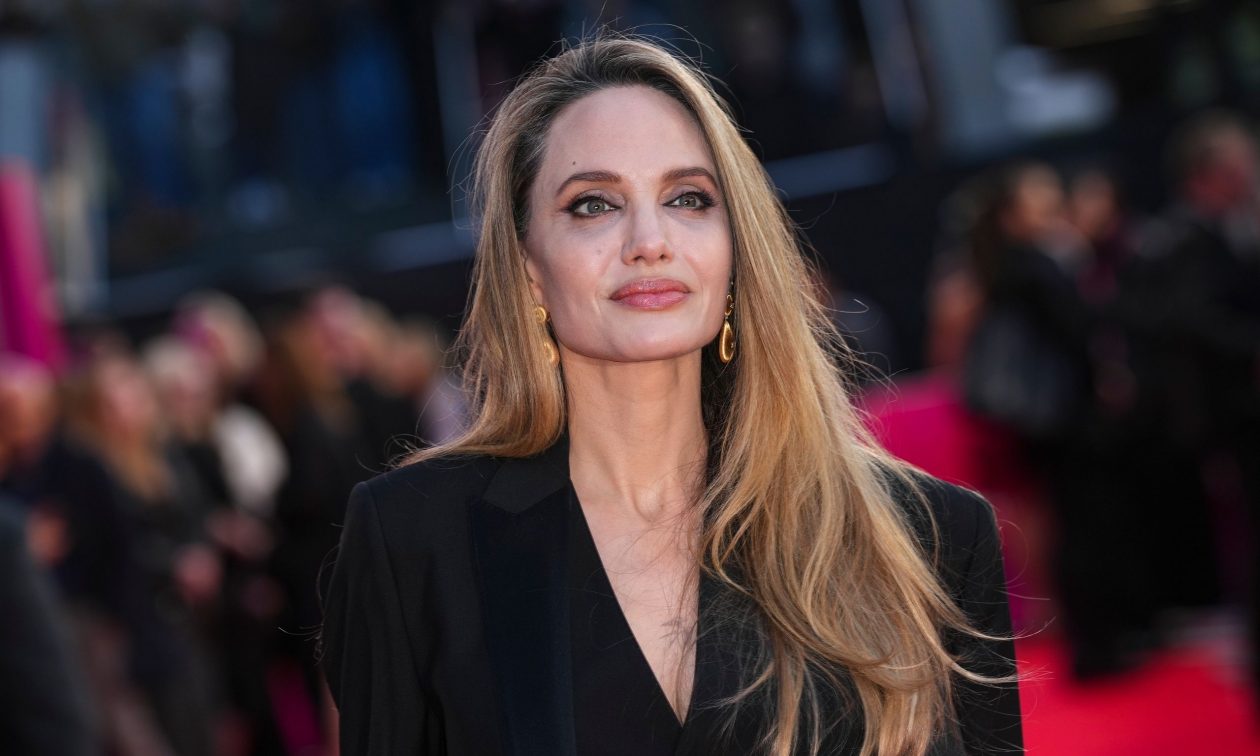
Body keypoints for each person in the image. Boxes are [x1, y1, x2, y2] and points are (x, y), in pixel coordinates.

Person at [320, 35, 1022, 756]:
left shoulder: (930, 537)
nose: (649, 240)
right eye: (593, 205)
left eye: (689, 198)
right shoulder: (413, 540)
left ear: (735, 246)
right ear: (528, 267)